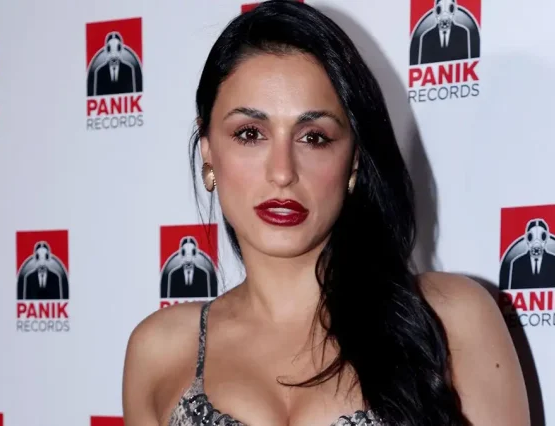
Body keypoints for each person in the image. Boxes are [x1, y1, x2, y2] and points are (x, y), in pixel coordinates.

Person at [121, 1, 529, 425]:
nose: (282, 172)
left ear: (353, 160)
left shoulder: (451, 319)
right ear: (208, 151)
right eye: (250, 133)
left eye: (313, 137)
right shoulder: (160, 350)